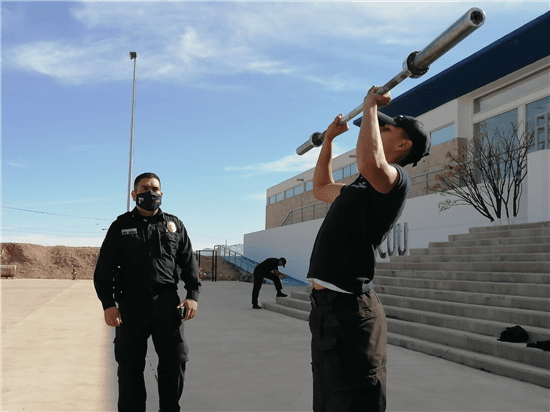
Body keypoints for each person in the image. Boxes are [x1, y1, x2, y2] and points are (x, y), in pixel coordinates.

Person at [307, 86, 430, 412]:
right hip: (325, 310)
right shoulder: (360, 185)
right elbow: (320, 189)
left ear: (403, 145)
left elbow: (370, 162)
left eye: (387, 128)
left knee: (353, 402)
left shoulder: (395, 180)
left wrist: (369, 106)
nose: (378, 129)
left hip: (351, 312)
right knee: (328, 401)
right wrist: (330, 141)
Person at [94, 172, 201, 412]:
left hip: (167, 304)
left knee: (175, 362)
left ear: (161, 194)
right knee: (130, 367)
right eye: (143, 189)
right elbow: (104, 269)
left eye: (154, 189)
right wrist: (108, 304)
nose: (149, 193)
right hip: (131, 307)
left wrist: (192, 295)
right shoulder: (120, 226)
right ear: (134, 194)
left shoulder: (174, 225)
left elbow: (189, 264)